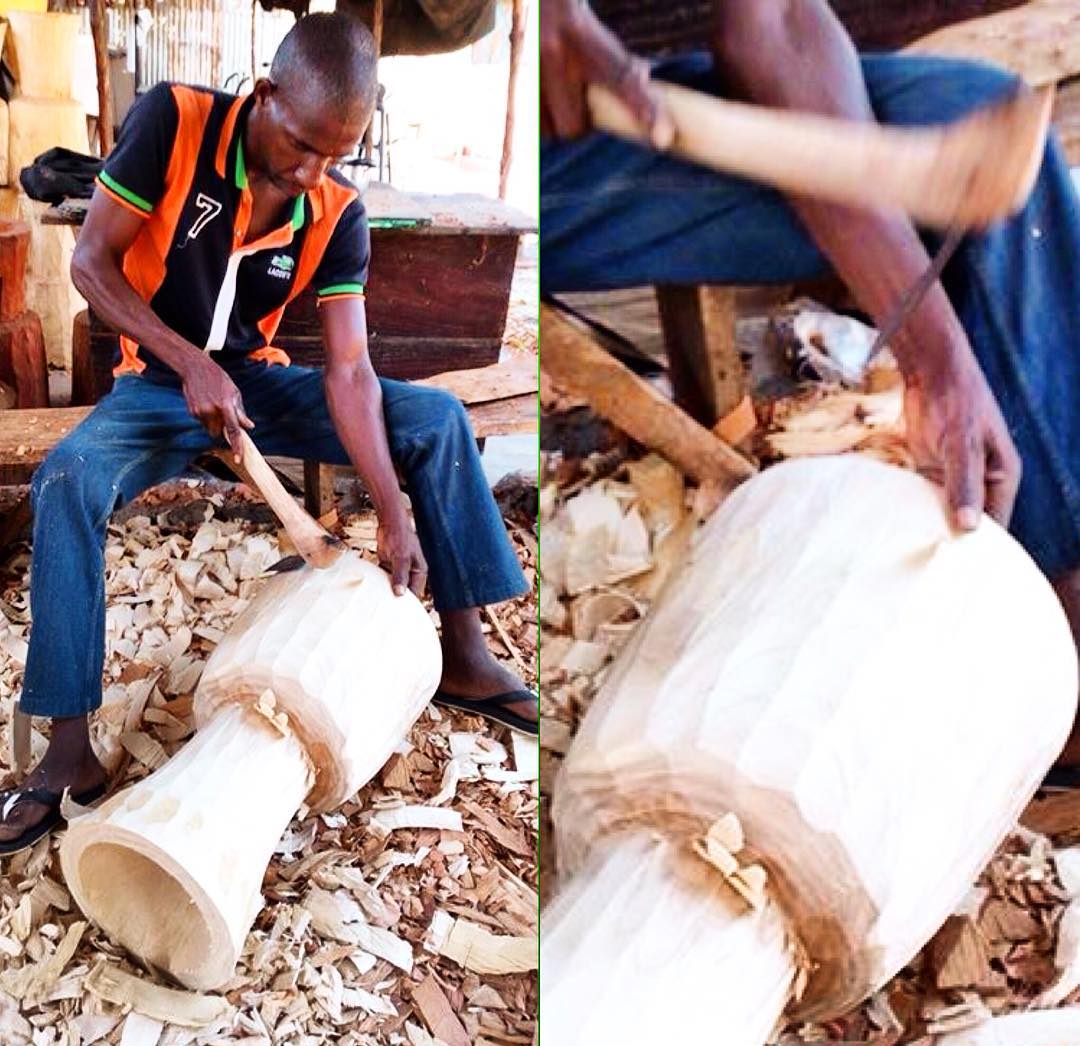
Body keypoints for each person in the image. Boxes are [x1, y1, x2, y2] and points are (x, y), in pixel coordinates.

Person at [0, 12, 537, 854]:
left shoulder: (336, 209)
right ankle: (69, 755)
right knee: (69, 479)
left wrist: (393, 505)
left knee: (431, 418)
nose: (314, 168)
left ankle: (465, 655)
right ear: (265, 94)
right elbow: (90, 265)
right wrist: (188, 362)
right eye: (301, 143)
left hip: (252, 381)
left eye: (338, 153)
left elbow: (351, 373)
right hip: (156, 381)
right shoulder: (173, 123)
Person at [541, 0, 1080, 763]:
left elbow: (779, 18)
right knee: (919, 217)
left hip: (629, 95)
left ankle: (1054, 599)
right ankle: (1052, 647)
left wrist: (941, 360)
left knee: (976, 108)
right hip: (550, 154)